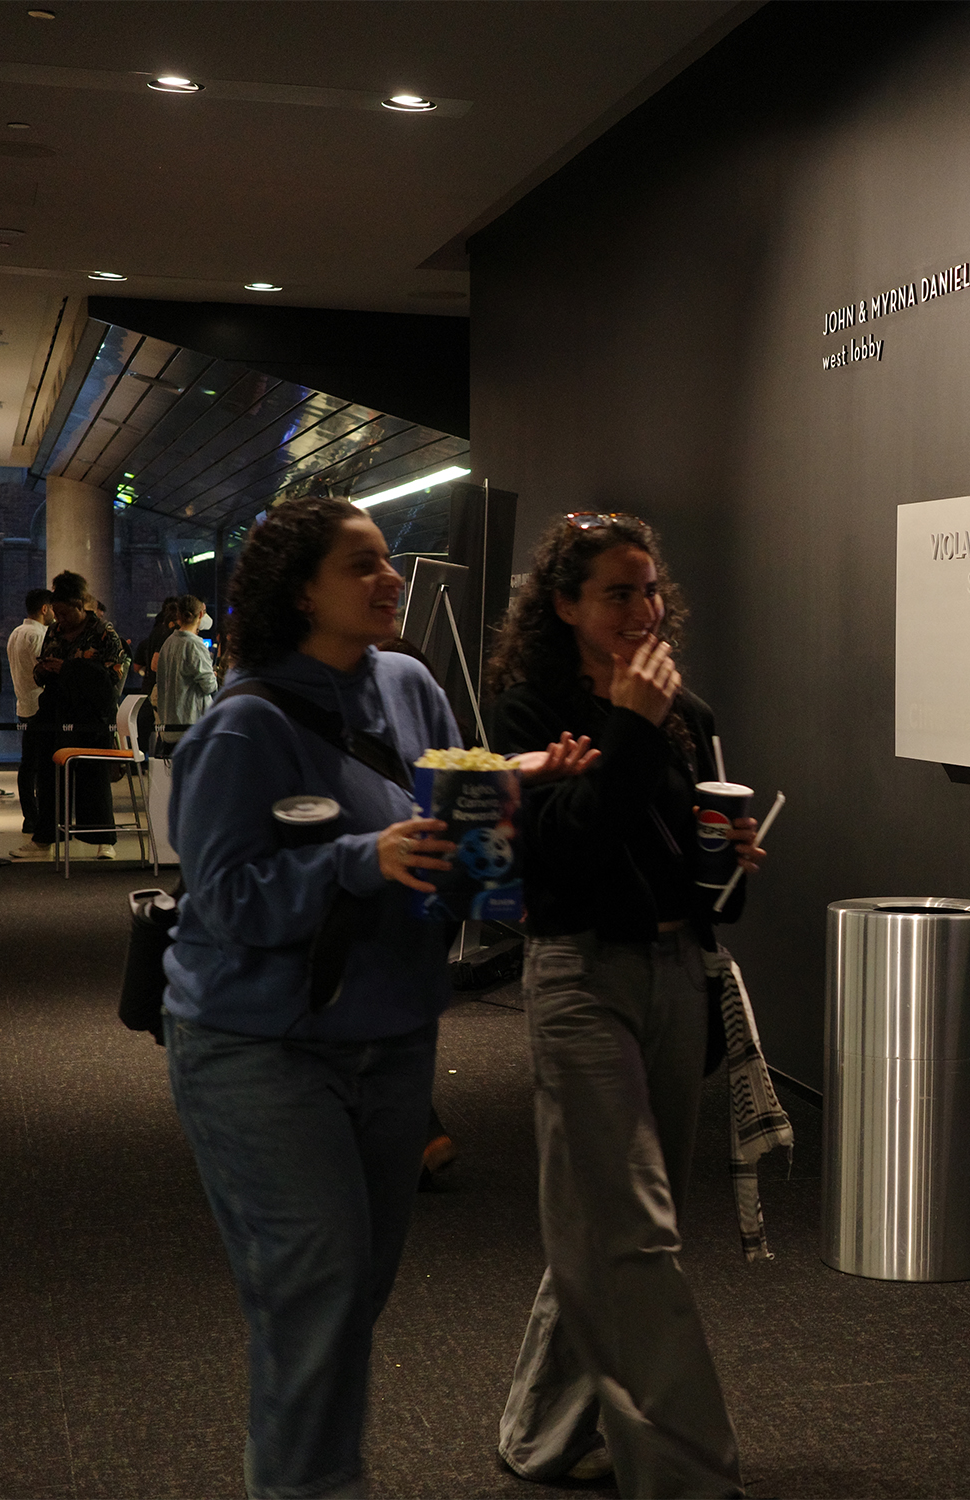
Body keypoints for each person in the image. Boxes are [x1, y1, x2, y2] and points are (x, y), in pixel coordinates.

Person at [161, 494, 594, 1498]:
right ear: (298, 591)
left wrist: (503, 815)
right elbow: (224, 899)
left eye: (384, 559)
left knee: (352, 1292)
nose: (389, 576)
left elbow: (443, 818)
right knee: (314, 1298)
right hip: (260, 1049)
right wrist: (360, 859)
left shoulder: (407, 683)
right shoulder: (243, 727)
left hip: (393, 1036)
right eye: (360, 565)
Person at [487, 512, 765, 1496]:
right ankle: (686, 1473)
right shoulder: (529, 709)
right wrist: (630, 728)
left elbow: (678, 862)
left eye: (648, 589)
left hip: (675, 970)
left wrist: (729, 864)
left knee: (619, 1223)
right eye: (616, 592)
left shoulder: (684, 706)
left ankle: (537, 1432)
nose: (641, 610)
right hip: (578, 976)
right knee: (633, 1229)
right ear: (564, 605)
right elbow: (565, 856)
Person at [15, 571, 129, 860]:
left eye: (65, 613)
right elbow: (40, 670)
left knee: (94, 777)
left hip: (91, 717)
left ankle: (104, 840)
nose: (60, 619)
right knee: (48, 776)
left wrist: (67, 668)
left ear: (81, 605)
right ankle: (44, 838)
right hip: (55, 713)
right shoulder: (53, 632)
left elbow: (110, 681)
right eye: (56, 613)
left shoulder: (104, 633)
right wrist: (44, 670)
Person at [7, 588, 53, 842]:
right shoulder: (39, 635)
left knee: (28, 765)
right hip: (40, 706)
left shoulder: (15, 633)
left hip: (23, 705)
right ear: (45, 608)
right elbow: (44, 671)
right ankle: (40, 817)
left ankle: (30, 817)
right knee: (42, 766)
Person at [154, 593, 218, 732]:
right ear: (201, 614)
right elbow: (209, 686)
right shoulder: (194, 645)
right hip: (191, 725)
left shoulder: (168, 643)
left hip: (169, 724)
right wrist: (213, 676)